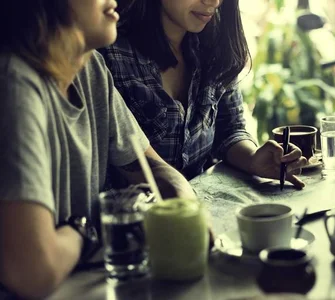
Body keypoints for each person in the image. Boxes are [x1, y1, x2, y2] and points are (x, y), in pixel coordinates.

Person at [0, 0, 197, 298]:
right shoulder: (14, 85)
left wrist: (186, 209)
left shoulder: (89, 67)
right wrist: (83, 232)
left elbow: (150, 167)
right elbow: (32, 272)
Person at [99, 0, 307, 187]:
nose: (213, 2)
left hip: (204, 209)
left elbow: (230, 129)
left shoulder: (215, 47)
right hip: (130, 219)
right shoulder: (109, 55)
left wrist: (253, 158)